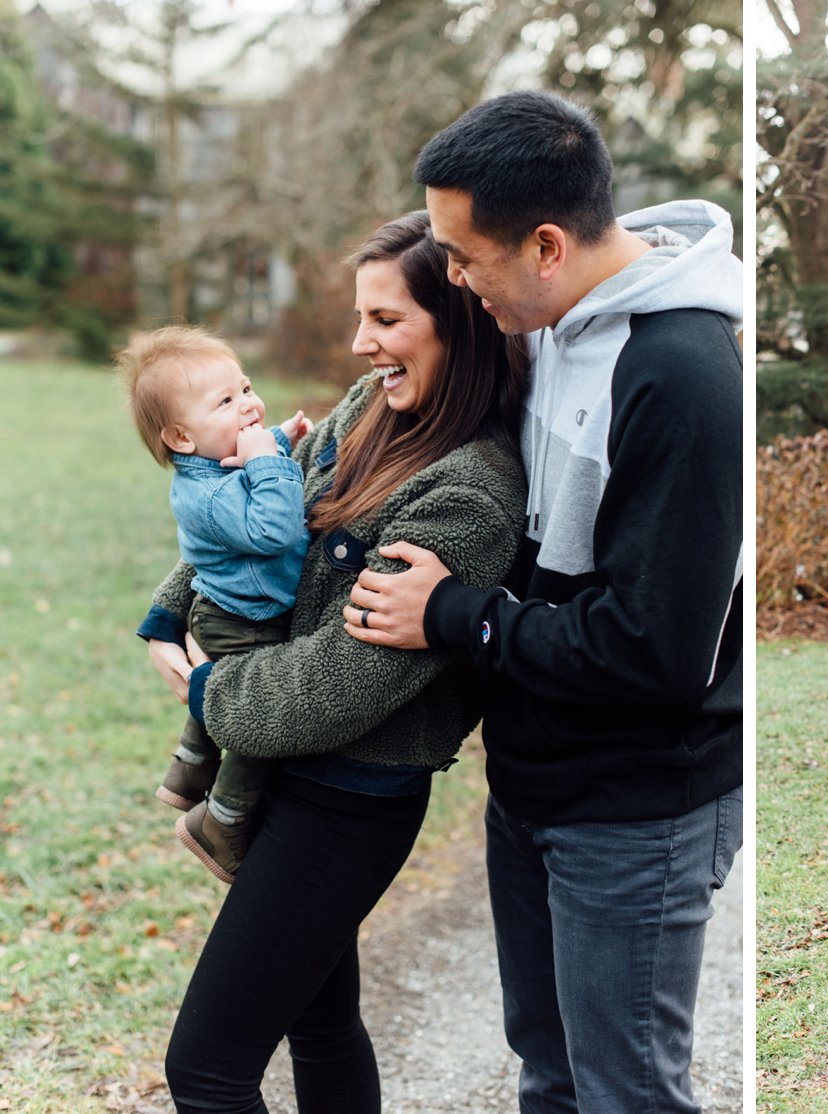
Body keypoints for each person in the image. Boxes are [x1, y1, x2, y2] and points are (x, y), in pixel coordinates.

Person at [342, 91, 742, 1111]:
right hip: (531, 783)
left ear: (548, 245)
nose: (457, 279)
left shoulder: (681, 375)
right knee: (552, 1075)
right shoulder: (548, 322)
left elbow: (655, 651)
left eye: (464, 257)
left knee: (626, 1092)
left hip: (637, 805)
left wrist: (456, 614)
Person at [139, 210, 529, 1111]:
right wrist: (170, 607)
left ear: (459, 320)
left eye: (386, 321)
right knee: (318, 1025)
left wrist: (210, 687)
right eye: (362, 318)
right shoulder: (372, 410)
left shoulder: (467, 494)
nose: (360, 344)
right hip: (296, 782)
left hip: (346, 801)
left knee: (205, 1069)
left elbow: (334, 689)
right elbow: (248, 511)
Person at [120, 325, 312, 882]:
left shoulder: (221, 455)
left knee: (228, 699)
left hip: (235, 610)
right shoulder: (204, 495)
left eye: (246, 388)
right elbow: (274, 529)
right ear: (182, 438)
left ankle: (189, 768)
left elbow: (241, 450)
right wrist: (271, 461)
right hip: (240, 622)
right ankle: (222, 823)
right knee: (256, 719)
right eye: (226, 401)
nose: (248, 405)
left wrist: (277, 437)